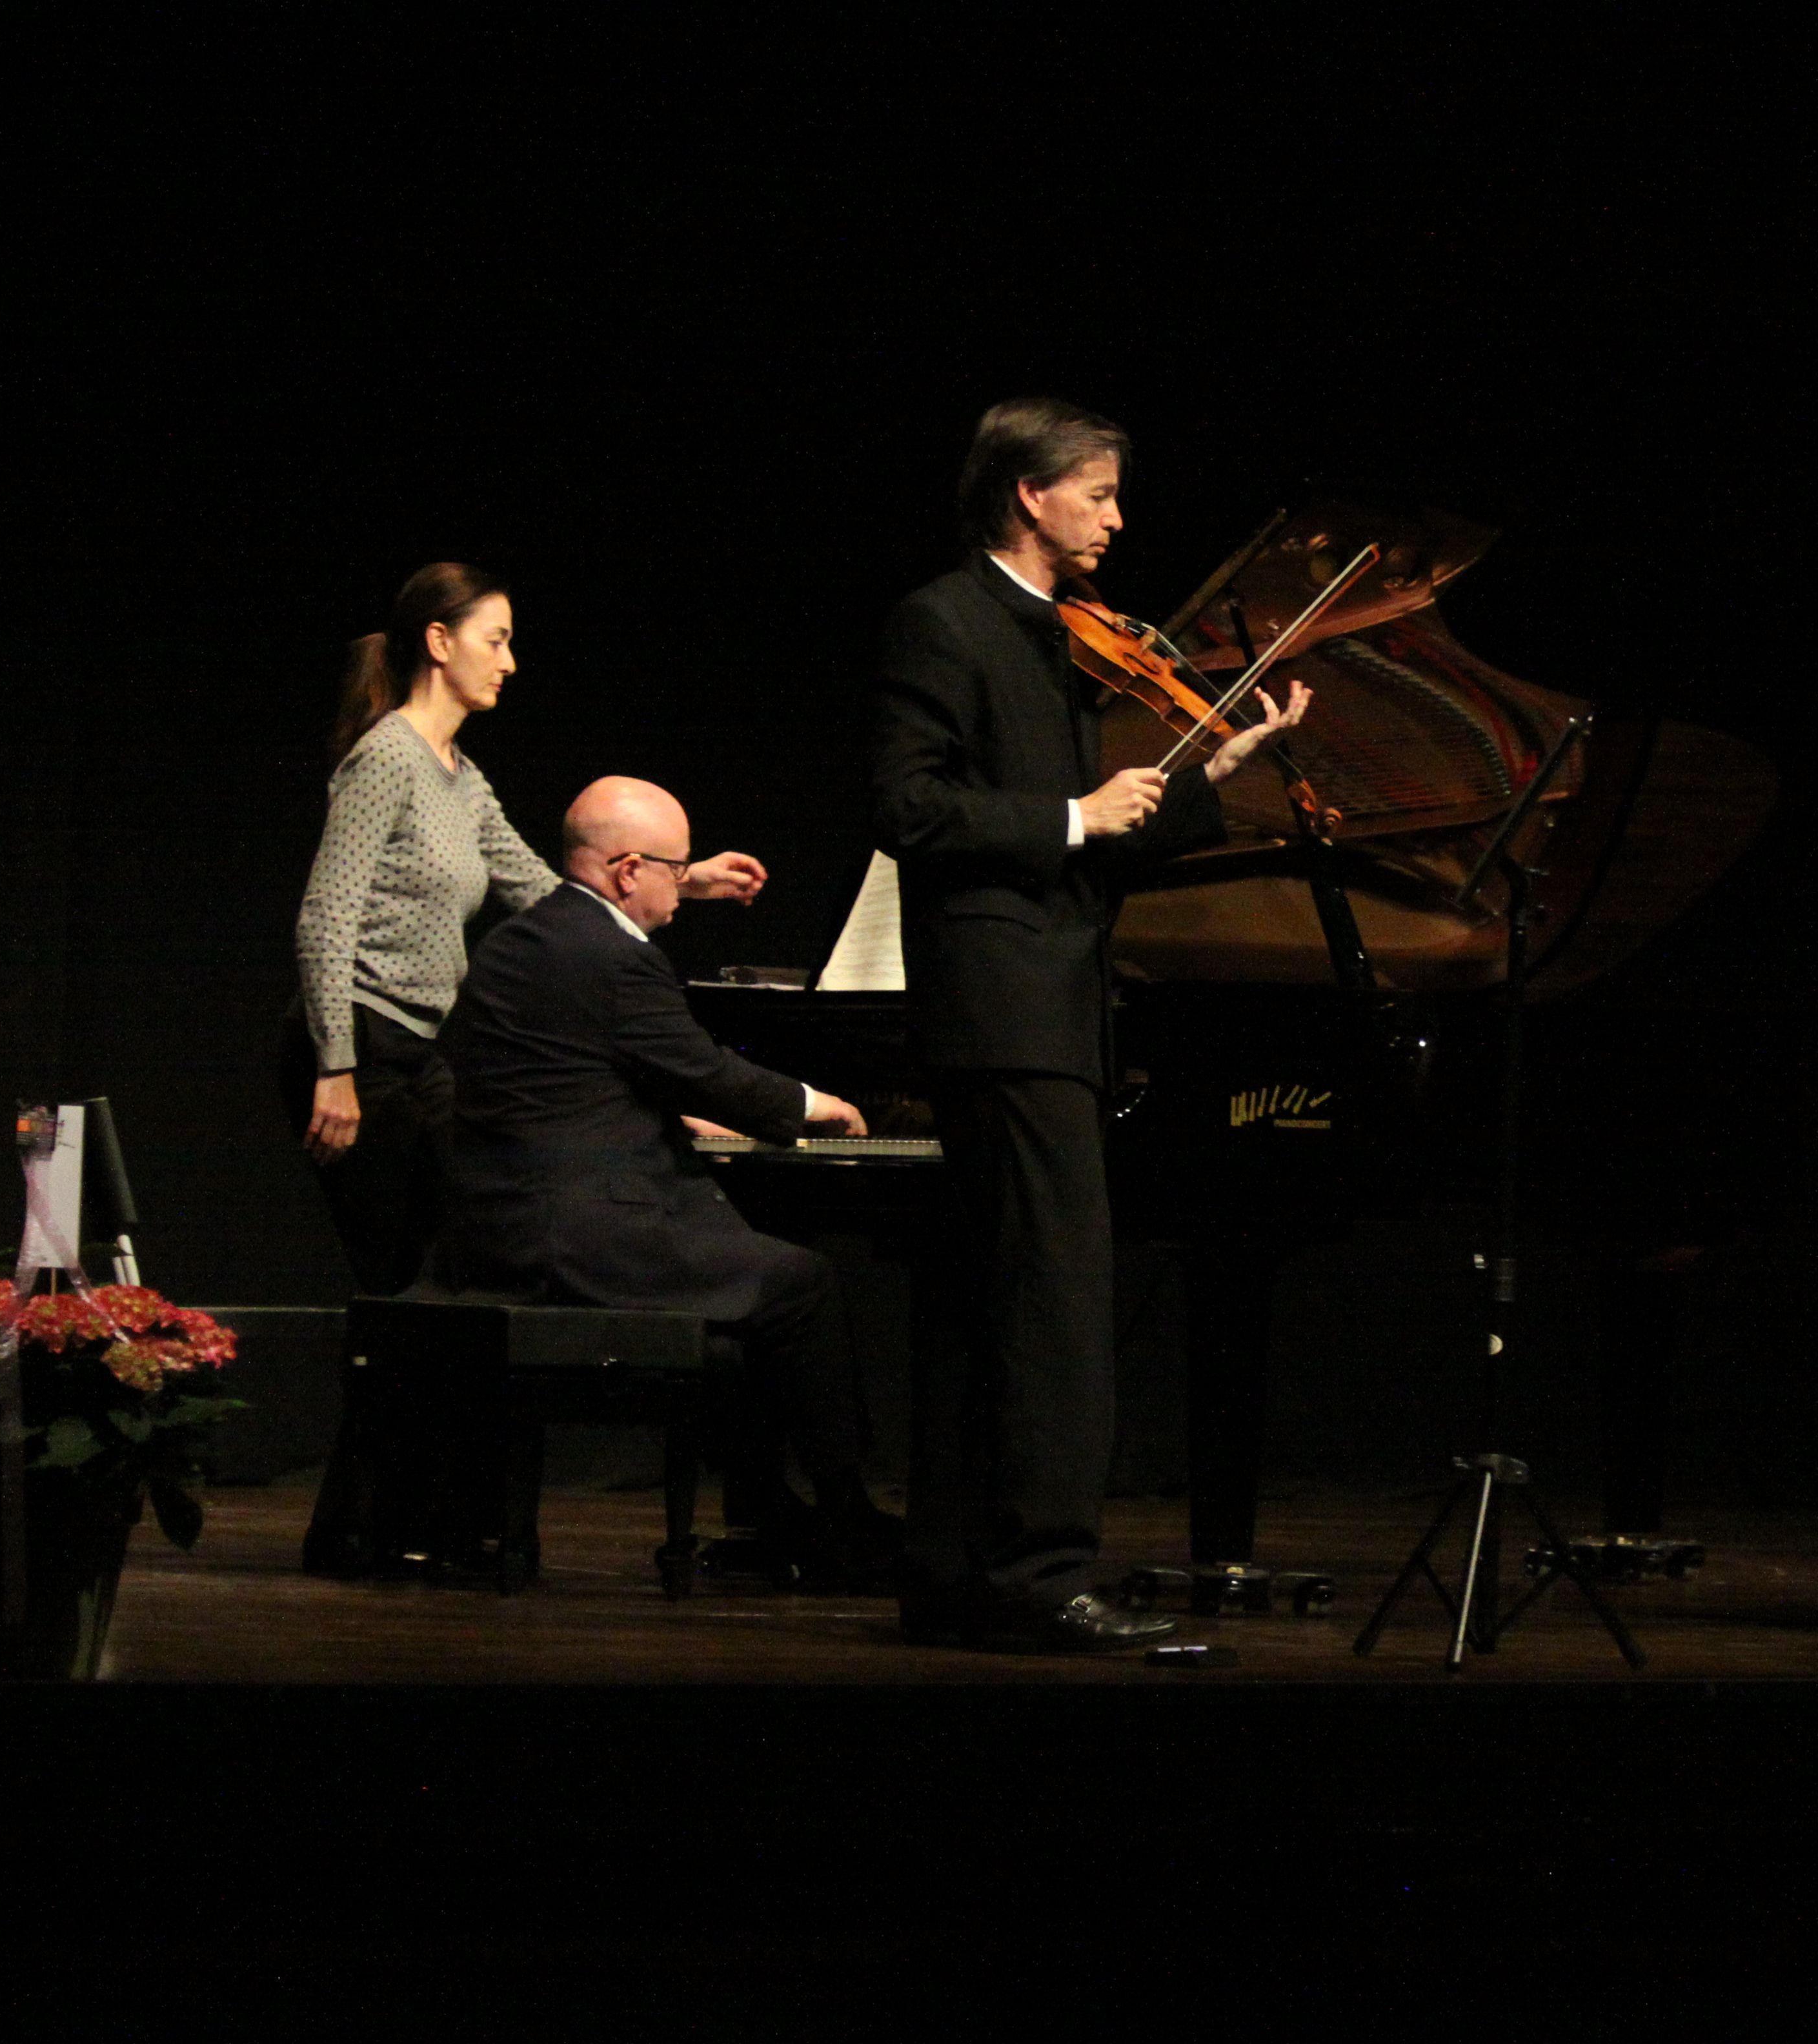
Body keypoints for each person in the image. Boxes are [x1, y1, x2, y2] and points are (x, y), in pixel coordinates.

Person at [870, 396, 1310, 1650]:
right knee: (1055, 1300)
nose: (1118, 519)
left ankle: (955, 1570)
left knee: (982, 1297)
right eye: (1101, 494)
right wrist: (1072, 814)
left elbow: (1096, 838)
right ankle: (1043, 1571)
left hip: (1046, 1003)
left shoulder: (1055, 638)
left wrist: (1197, 783)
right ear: (1030, 495)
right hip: (1005, 1010)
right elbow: (914, 809)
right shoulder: (944, 621)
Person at [431, 776, 900, 1580]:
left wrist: (672, 1115)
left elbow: (556, 1074)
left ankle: (769, 1511)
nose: (685, 885)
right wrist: (817, 1103)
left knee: (747, 1277)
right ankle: (845, 1516)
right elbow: (704, 1071)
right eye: (676, 869)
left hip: (496, 1225)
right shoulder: (618, 959)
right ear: (626, 871)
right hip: (581, 1237)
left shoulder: (520, 941)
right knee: (803, 1282)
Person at [283, 562, 765, 1295]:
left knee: (458, 1251)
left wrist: (679, 878)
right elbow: (327, 915)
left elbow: (548, 895)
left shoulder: (462, 778)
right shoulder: (386, 756)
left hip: (419, 1049)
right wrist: (335, 1067)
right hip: (359, 1041)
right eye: (496, 640)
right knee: (396, 1270)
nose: (510, 662)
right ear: (440, 642)